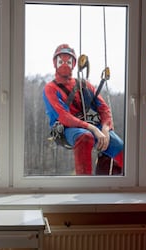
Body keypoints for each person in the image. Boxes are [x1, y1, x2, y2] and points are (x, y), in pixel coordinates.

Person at [43, 43, 124, 175]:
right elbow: (64, 116)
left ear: (74, 64)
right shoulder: (51, 88)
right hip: (66, 128)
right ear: (55, 63)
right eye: (61, 61)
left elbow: (103, 108)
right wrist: (92, 128)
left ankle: (111, 180)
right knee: (85, 136)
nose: (64, 64)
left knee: (120, 148)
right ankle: (84, 181)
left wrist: (105, 128)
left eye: (68, 62)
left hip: (90, 125)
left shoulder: (83, 85)